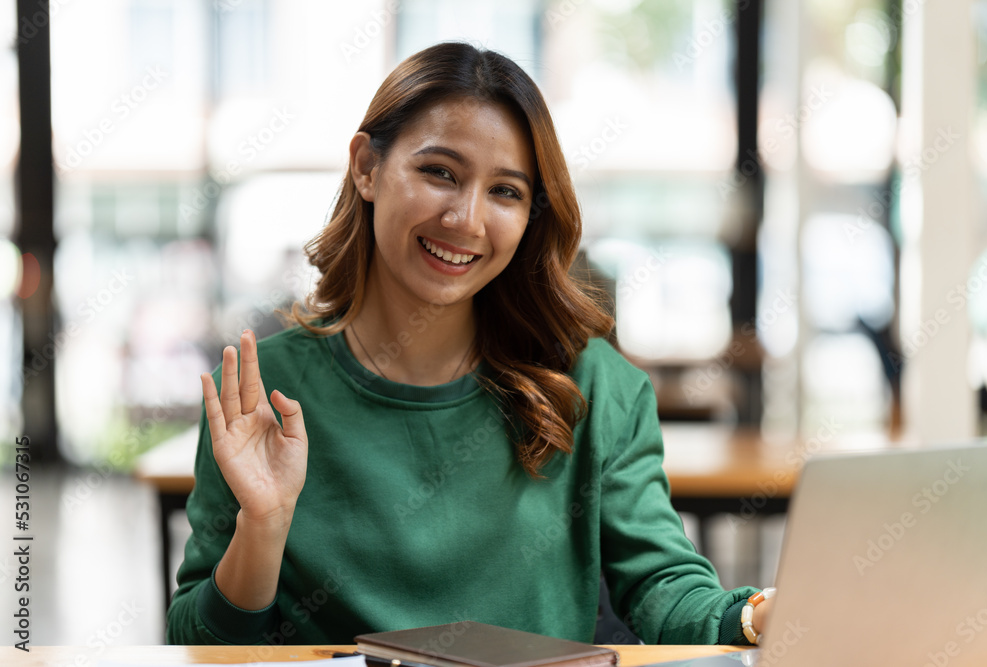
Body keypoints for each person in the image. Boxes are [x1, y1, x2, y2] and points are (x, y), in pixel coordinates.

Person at [166, 41, 774, 647]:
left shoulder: (595, 385)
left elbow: (661, 585)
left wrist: (754, 616)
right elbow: (197, 640)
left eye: (505, 191)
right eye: (439, 173)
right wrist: (263, 525)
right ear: (366, 167)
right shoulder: (256, 389)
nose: (466, 219)